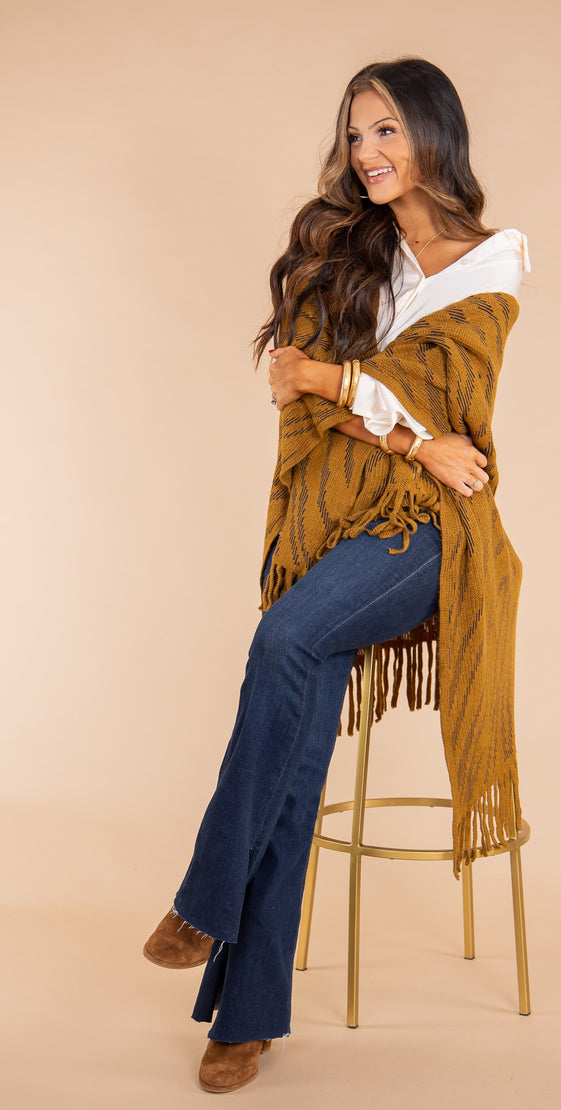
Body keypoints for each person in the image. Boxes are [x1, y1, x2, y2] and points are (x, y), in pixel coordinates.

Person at [143, 56, 530, 1094]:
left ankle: (201, 902)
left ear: (435, 131)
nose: (366, 153)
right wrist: (400, 433)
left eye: (387, 130)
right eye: (356, 134)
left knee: (281, 636)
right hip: (346, 524)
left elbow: (436, 399)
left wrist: (347, 387)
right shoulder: (343, 246)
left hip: (437, 534)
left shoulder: (493, 260)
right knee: (294, 729)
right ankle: (247, 1020)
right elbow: (305, 396)